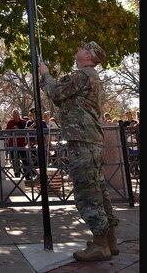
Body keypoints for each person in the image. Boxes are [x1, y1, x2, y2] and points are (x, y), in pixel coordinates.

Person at [39, 42, 120, 262]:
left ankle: (100, 244)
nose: (77, 49)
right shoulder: (90, 76)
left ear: (88, 55)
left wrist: (45, 75)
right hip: (89, 138)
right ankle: (108, 240)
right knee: (98, 190)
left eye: (82, 48)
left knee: (87, 192)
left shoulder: (83, 75)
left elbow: (56, 93)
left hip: (82, 139)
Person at [4, 110, 29, 178]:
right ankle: (17, 174)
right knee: (15, 160)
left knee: (25, 160)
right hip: (13, 145)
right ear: (13, 115)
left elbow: (27, 132)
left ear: (19, 114)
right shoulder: (10, 123)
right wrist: (12, 129)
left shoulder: (24, 122)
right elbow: (6, 132)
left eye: (17, 114)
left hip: (22, 144)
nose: (16, 115)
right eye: (14, 114)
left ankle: (27, 175)